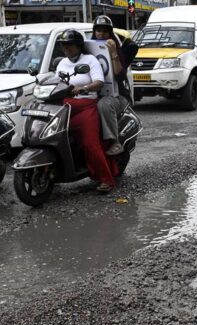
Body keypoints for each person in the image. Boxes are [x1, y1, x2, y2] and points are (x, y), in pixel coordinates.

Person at [55, 29, 118, 193]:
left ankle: (106, 179)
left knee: (89, 142)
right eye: (64, 45)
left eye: (69, 45)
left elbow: (99, 82)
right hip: (65, 105)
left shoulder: (90, 60)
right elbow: (56, 82)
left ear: (78, 46)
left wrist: (84, 88)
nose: (66, 48)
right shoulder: (62, 63)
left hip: (86, 105)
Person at [91, 15, 138, 156]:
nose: (101, 34)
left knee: (104, 104)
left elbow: (120, 75)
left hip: (117, 95)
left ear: (110, 33)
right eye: (98, 30)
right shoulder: (88, 50)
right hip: (93, 91)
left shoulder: (116, 49)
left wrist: (113, 53)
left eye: (105, 31)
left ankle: (114, 141)